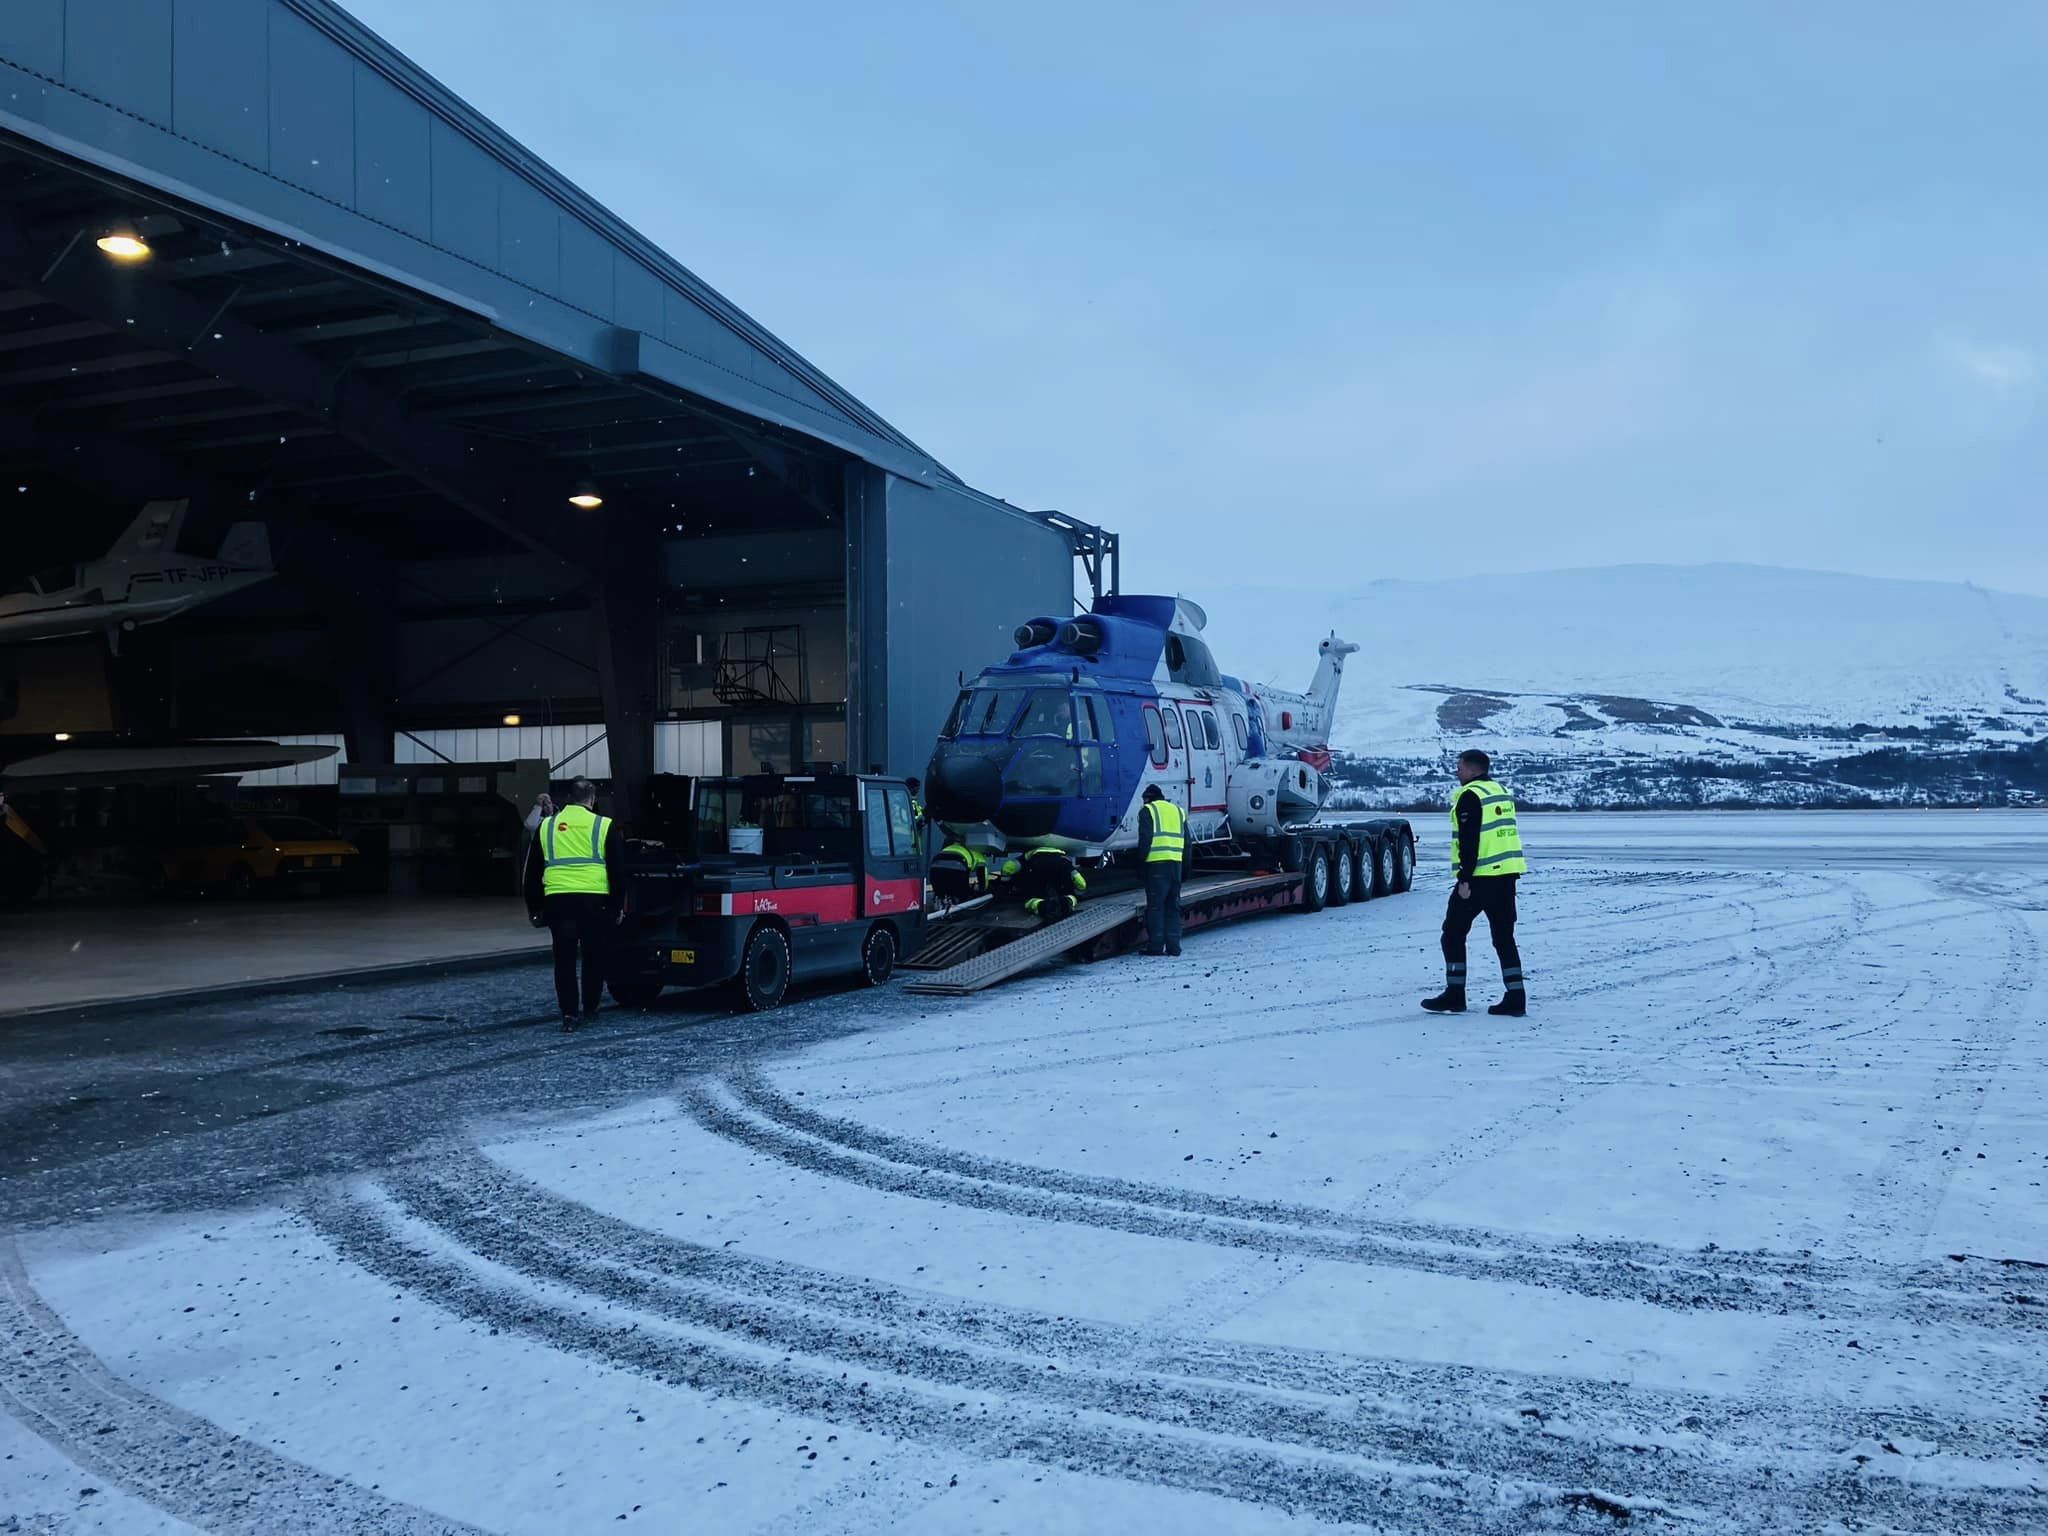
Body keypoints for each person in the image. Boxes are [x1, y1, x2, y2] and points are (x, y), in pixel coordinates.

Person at [1422, 749, 1528, 1016]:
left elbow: (1470, 840)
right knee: (1504, 937)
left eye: (1459, 767)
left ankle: (1455, 994)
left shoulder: (1470, 795)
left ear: (1471, 769)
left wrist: (1464, 879)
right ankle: (1516, 997)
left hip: (1480, 878)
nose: (1457, 772)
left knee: (1452, 934)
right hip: (1507, 876)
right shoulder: (1500, 791)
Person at [522, 778, 620, 1031]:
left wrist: (535, 908)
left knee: (564, 960)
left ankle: (569, 1015)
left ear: (568, 798)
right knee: (593, 956)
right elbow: (618, 871)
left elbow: (532, 873)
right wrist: (617, 906)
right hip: (595, 901)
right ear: (592, 799)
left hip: (558, 900)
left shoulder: (547, 826)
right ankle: (591, 1008)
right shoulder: (603, 825)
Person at [1137, 785, 1186, 956]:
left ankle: (1156, 947)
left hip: (1156, 865)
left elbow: (1146, 839)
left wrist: (1140, 865)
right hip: (1176, 865)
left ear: (1147, 798)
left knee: (1156, 907)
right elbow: (1187, 843)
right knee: (1173, 907)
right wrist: (1185, 869)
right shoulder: (1178, 811)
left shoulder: (1148, 810)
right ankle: (1174, 947)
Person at [1014, 844, 1086, 921]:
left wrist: (1006, 878)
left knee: (1032, 897)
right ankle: (1067, 901)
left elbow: (1011, 866)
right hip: (1059, 866)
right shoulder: (1064, 859)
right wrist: (1080, 891)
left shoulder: (1028, 854)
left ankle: (1041, 906)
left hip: (1036, 865)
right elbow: (1078, 879)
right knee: (1068, 893)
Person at [928, 833, 988, 908]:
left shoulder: (954, 847)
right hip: (958, 865)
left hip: (936, 864)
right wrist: (982, 891)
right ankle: (956, 902)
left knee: (940, 890)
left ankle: (940, 899)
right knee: (962, 894)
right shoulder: (981, 858)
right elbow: (983, 878)